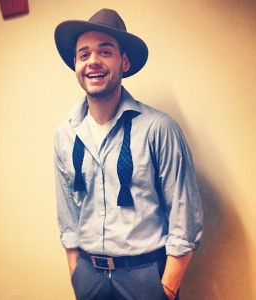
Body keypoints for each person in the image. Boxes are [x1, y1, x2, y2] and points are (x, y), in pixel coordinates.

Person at [53, 8, 203, 300]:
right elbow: (68, 216)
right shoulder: (65, 133)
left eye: (105, 52)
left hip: (145, 276)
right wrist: (77, 273)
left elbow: (185, 218)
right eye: (84, 54)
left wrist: (167, 287)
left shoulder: (159, 129)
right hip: (88, 276)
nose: (93, 61)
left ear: (124, 61)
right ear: (76, 65)